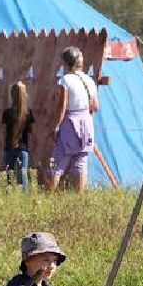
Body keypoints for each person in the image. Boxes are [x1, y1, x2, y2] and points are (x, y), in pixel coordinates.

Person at [49, 46, 99, 191]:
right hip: (87, 123)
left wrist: (56, 126)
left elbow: (62, 106)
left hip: (70, 123)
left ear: (66, 63)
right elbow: (95, 106)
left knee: (59, 162)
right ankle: (80, 197)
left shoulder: (65, 80)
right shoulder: (89, 80)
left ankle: (48, 197)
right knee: (81, 164)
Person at [2, 80, 34, 192]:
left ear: (12, 95)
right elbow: (30, 131)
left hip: (9, 146)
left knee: (9, 172)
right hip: (23, 147)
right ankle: (23, 196)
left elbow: (3, 131)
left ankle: (9, 193)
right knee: (23, 173)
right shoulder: (28, 113)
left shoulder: (7, 113)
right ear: (25, 95)